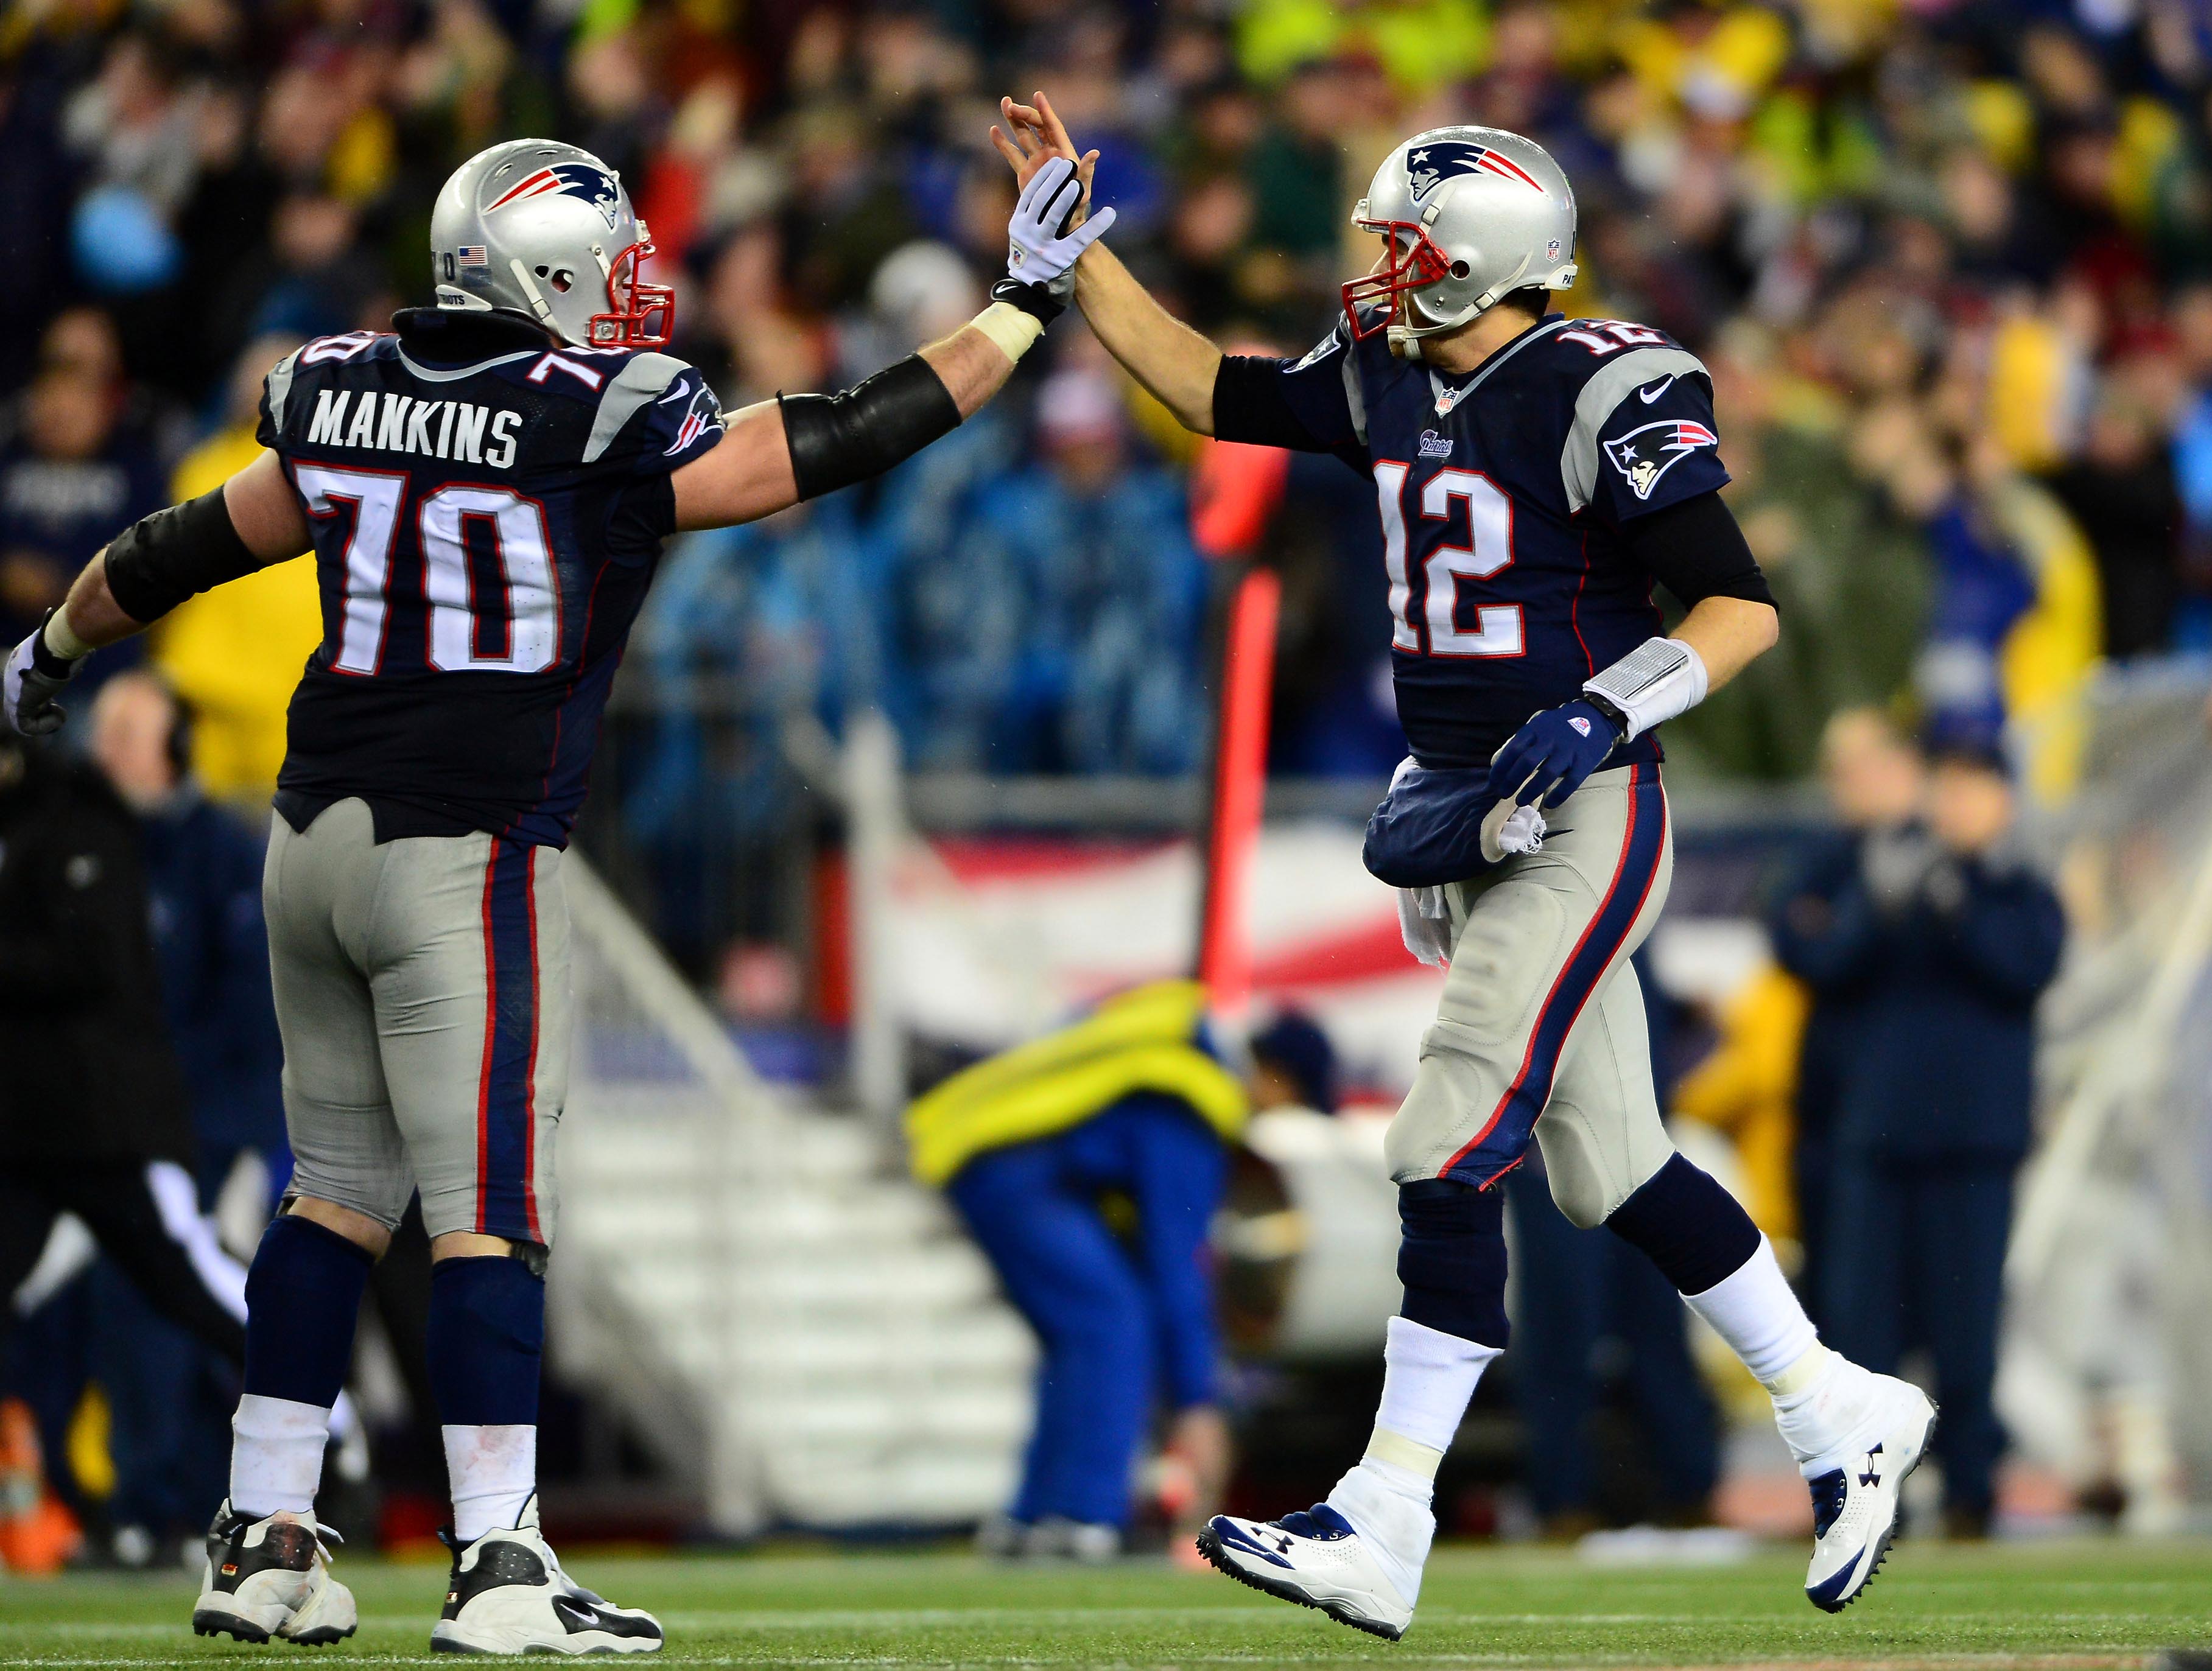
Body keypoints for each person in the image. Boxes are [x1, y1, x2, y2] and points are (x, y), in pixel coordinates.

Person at [4, 138, 1111, 1656]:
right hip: (469, 856)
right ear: (532, 269)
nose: (629, 287)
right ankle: (502, 1564)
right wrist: (1026, 306)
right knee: (488, 1218)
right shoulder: (601, 414)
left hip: (309, 838)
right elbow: (845, 434)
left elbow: (182, 547)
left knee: (334, 1199)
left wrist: (48, 656)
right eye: (600, 260)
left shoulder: (341, 388)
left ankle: (260, 1536)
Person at [994, 97, 1932, 1634]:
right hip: (1473, 809)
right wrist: (1075, 255)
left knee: (1444, 1136)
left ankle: (1387, 1512)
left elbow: (1736, 609)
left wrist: (1603, 702)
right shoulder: (1382, 373)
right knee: (1613, 1168)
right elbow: (1207, 390)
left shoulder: (1597, 384)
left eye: (1401, 238)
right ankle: (1839, 1407)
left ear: (1473, 256)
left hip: (1588, 807)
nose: (1375, 263)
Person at [1778, 733, 2065, 1539]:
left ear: (2004, 800)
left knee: (1965, 1331)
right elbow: (1820, 960)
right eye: (1950, 787)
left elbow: (2026, 969)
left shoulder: (2019, 887)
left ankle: (1972, 1492)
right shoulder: (1882, 873)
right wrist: (1877, 905)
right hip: (1877, 1136)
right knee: (1860, 1331)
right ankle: (1868, 1498)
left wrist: (1957, 906)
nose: (1959, 805)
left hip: (1975, 1143)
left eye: (1977, 789)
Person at [907, 980, 1243, 1562]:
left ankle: (1033, 1515)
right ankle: (1082, 1517)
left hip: (981, 1156)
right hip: (1019, 1171)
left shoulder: (1155, 1051)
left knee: (1081, 1334)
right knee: (1112, 1321)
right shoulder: (1194, 1097)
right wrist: (1197, 1402)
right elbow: (1177, 1262)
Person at [1769, 709, 1929, 1318]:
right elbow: (1801, 946)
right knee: (1836, 1280)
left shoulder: (1933, 846)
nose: (1845, 783)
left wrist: (1846, 921)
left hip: (1913, 1109)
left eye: (1859, 766)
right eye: (1835, 770)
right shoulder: (1820, 852)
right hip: (1829, 1102)